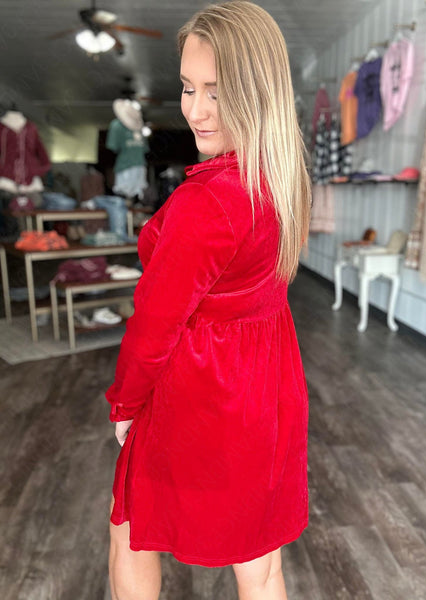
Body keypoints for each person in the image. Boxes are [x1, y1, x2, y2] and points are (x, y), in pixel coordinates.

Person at [106, 2, 311, 599]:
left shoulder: (209, 202)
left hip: (202, 393)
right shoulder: (280, 179)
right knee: (261, 564)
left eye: (216, 93)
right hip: (266, 394)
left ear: (255, 93)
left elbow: (155, 324)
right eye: (189, 88)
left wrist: (125, 403)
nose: (195, 110)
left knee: (129, 532)